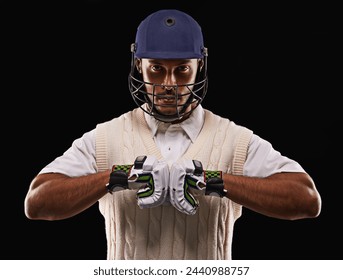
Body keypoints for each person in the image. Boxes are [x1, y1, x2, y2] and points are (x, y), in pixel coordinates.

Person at [24, 9, 322, 260]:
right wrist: (116, 177)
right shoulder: (106, 137)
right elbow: (37, 203)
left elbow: (307, 199)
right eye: (156, 69)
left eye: (181, 70)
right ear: (138, 66)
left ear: (199, 66)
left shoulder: (234, 138)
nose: (168, 83)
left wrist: (214, 181)